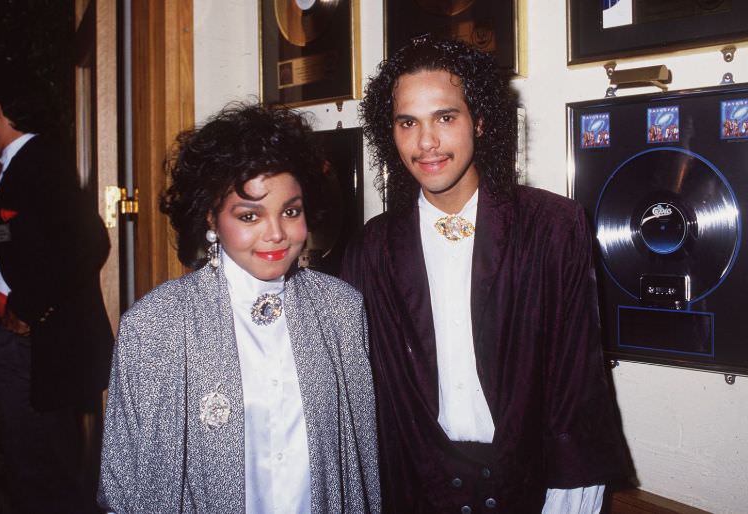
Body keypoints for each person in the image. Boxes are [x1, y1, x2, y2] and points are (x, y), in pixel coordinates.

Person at [342, 36, 632, 513]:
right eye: (407, 122)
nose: (426, 142)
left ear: (479, 120)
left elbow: (575, 384)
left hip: (531, 490)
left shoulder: (552, 225)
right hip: (414, 492)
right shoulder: (372, 246)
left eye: (445, 117)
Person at [98, 103, 381, 513]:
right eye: (250, 215)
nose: (276, 234)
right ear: (212, 218)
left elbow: (362, 467)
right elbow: (123, 487)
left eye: (290, 211)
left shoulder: (341, 310)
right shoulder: (156, 323)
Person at [0, 68, 113, 513]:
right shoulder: (16, 165)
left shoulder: (38, 162)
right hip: (11, 332)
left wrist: (29, 307)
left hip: (30, 338)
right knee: (29, 456)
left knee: (40, 462)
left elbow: (90, 242)